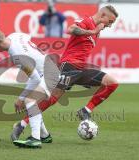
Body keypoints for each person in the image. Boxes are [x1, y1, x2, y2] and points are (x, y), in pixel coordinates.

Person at [12, 5, 119, 141]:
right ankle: (21, 125)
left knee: (112, 84)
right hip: (68, 66)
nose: (110, 26)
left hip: (81, 69)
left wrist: (94, 31)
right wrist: (92, 31)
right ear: (103, 16)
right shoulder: (87, 21)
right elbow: (71, 29)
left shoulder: (97, 30)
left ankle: (85, 110)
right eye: (110, 22)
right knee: (52, 99)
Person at [0, 26, 60, 148]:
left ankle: (35, 139)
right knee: (30, 105)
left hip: (49, 74)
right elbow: (27, 37)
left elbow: (34, 78)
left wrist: (20, 98)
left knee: (29, 100)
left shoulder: (17, 55)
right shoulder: (15, 36)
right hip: (48, 68)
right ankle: (45, 135)